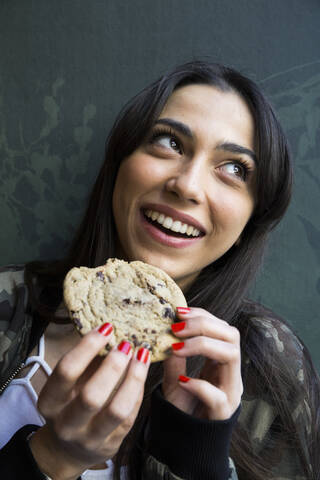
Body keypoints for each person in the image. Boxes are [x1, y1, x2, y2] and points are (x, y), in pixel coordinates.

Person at [0, 60, 319, 480]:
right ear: (120, 164)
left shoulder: (270, 369)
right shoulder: (7, 303)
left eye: (234, 169)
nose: (187, 185)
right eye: (169, 142)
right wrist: (48, 459)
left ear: (249, 221)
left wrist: (200, 460)